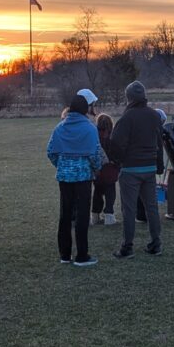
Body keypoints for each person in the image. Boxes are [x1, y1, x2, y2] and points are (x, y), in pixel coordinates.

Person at [109, 81, 164, 258]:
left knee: (129, 209)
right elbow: (159, 142)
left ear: (129, 97)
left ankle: (127, 247)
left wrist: (119, 161)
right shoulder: (154, 116)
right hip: (150, 167)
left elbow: (116, 143)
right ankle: (156, 243)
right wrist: (159, 165)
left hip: (131, 169)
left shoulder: (127, 118)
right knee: (152, 207)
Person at [47, 93, 103, 267]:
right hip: (83, 177)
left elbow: (51, 152)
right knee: (82, 215)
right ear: (85, 109)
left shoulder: (59, 127)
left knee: (65, 215)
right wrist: (96, 168)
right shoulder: (90, 128)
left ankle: (64, 254)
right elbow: (95, 154)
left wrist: (62, 165)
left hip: (64, 178)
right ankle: (81, 255)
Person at [92, 113, 119, 226]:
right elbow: (118, 153)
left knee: (97, 192)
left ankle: (95, 215)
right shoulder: (113, 136)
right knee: (110, 192)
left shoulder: (94, 136)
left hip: (97, 170)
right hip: (110, 169)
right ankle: (109, 215)